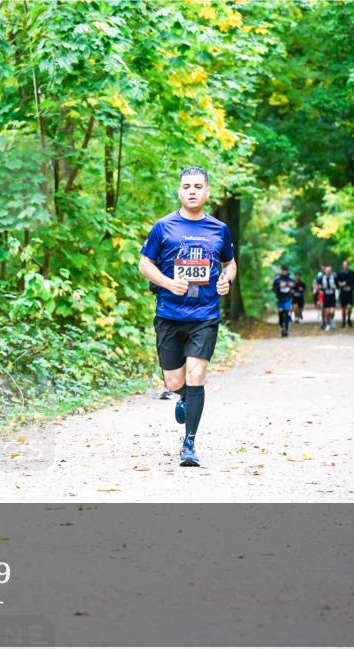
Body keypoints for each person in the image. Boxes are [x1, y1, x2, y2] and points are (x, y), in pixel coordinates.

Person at [139, 167, 237, 467]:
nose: (192, 191)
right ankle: (182, 396)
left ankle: (189, 444)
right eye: (186, 186)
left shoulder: (219, 229)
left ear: (207, 192)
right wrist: (167, 283)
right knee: (173, 382)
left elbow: (230, 264)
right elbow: (145, 264)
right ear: (179, 192)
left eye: (197, 186)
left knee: (197, 375)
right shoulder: (163, 227)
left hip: (204, 314)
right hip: (169, 314)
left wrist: (226, 280)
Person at [272, 266, 295, 337]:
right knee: (281, 314)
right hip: (279, 299)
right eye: (283, 270)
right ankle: (282, 326)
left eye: (285, 270)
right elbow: (273, 288)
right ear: (281, 271)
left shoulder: (290, 279)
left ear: (287, 271)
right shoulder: (277, 279)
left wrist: (291, 286)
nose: (284, 272)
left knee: (286, 312)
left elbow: (295, 287)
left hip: (287, 298)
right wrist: (279, 286)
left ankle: (286, 328)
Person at [336, 259, 354, 328]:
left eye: (346, 265)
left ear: (348, 265)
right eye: (344, 265)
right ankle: (344, 321)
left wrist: (350, 285)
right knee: (343, 308)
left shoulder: (352, 273)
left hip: (350, 293)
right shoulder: (340, 273)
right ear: (343, 266)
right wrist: (340, 284)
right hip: (343, 293)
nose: (345, 266)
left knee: (349, 307)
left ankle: (349, 319)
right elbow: (336, 282)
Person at [317, 265, 337, 331]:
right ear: (325, 271)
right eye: (327, 270)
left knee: (332, 312)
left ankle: (331, 320)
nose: (328, 271)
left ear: (331, 271)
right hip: (325, 297)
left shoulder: (334, 277)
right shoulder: (321, 278)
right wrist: (320, 298)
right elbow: (318, 288)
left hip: (332, 297)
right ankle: (327, 324)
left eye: (329, 270)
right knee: (327, 312)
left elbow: (338, 286)